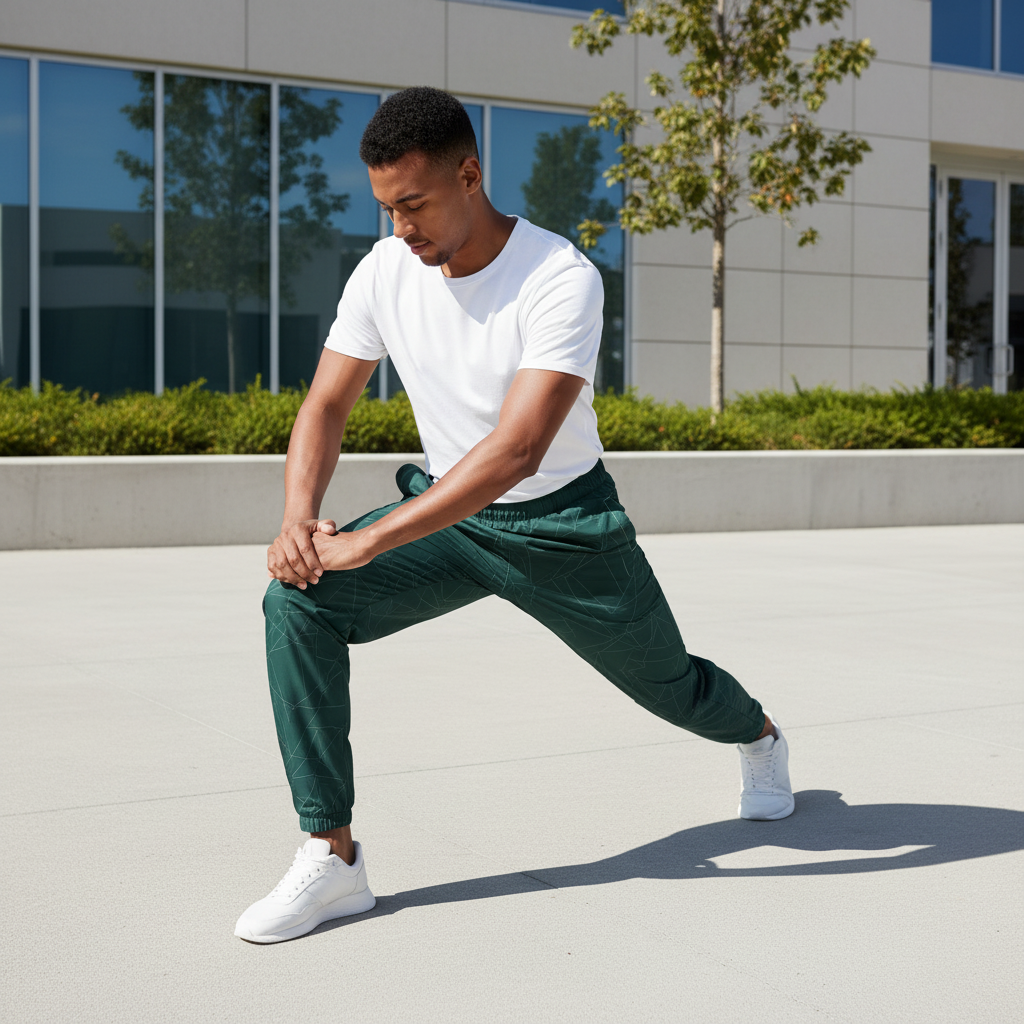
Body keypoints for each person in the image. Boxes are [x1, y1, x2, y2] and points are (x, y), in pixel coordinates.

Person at [234, 87, 794, 945]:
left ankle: (758, 733)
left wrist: (368, 540)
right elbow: (326, 405)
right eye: (387, 210)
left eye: (415, 205)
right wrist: (298, 523)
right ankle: (333, 856)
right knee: (297, 601)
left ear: (470, 175)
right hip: (449, 518)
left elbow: (519, 449)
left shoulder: (559, 278)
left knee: (673, 689)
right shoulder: (384, 270)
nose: (401, 229)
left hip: (562, 527)